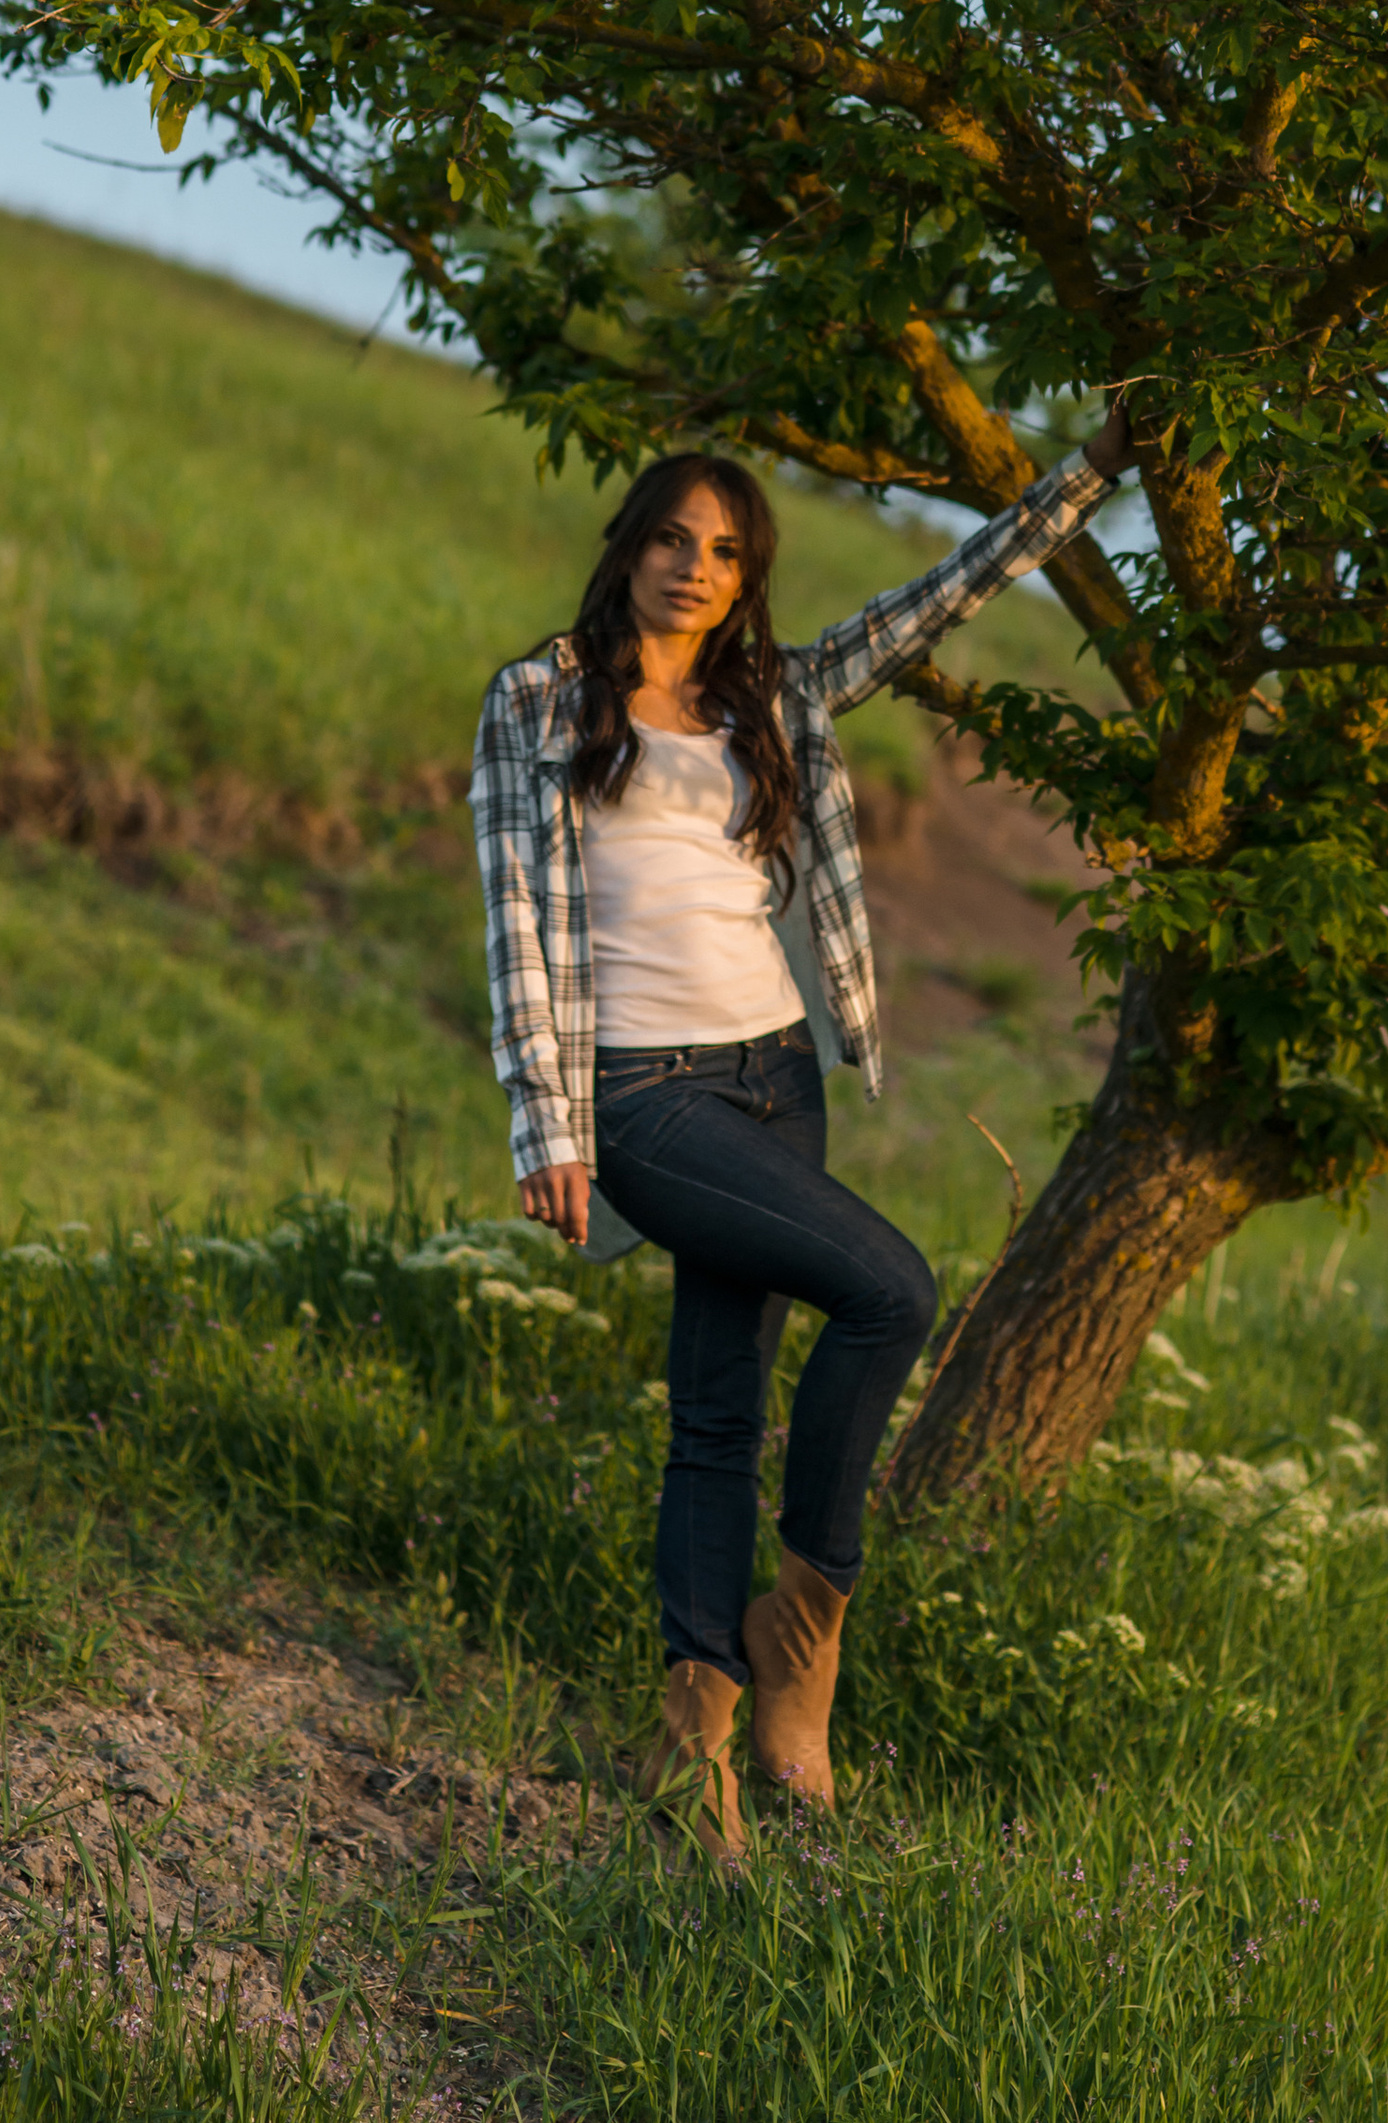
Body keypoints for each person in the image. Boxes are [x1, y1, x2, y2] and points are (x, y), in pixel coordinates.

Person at [470, 407, 1132, 1860]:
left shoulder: (771, 697)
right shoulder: (538, 700)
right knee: (891, 1291)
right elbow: (514, 913)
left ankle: (701, 1729)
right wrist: (546, 1127)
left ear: (745, 577)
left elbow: (940, 598)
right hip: (645, 1092)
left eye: (723, 552)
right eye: (671, 538)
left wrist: (1093, 469)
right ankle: (807, 1624)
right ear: (627, 548)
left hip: (777, 1071)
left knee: (718, 1409)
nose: (692, 568)